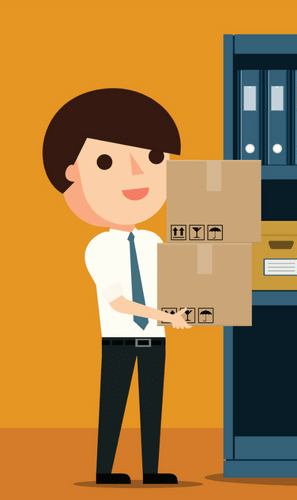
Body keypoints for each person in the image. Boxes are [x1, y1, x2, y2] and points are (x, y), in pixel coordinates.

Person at [42, 88, 190, 485]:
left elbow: (173, 283)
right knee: (113, 406)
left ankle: (152, 470)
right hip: (120, 342)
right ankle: (105, 470)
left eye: (154, 158)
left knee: (151, 407)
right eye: (106, 161)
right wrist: (166, 316)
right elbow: (120, 302)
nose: (138, 176)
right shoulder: (99, 247)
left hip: (157, 340)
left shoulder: (153, 242)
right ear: (73, 173)